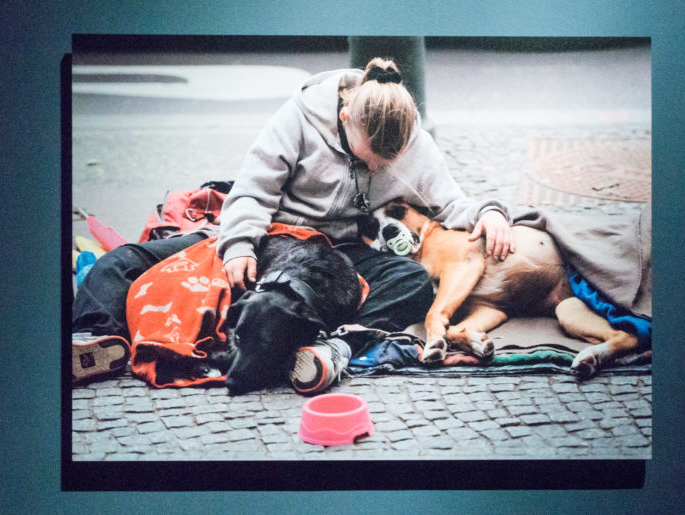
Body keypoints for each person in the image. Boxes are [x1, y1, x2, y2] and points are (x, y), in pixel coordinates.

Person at [72, 57, 514, 393]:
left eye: (388, 162)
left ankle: (330, 346)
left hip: (340, 252)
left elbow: (449, 200)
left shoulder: (408, 135)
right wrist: (240, 245)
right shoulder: (300, 116)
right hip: (271, 237)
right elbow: (252, 189)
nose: (379, 166)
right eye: (370, 159)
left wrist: (490, 213)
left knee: (412, 283)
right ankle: (98, 342)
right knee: (120, 262)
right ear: (344, 118)